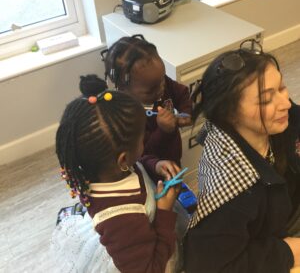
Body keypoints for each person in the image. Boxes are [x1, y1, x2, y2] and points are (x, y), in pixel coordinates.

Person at [184, 39, 300, 273]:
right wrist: (286, 252)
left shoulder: (273, 121)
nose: (285, 102)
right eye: (267, 99)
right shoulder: (233, 193)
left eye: (281, 87)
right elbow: (208, 265)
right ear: (229, 113)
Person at [51, 74, 183, 273]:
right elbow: (150, 269)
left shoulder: (102, 168)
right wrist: (164, 212)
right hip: (141, 258)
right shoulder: (121, 219)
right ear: (123, 159)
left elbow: (136, 163)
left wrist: (153, 164)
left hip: (133, 242)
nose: (143, 145)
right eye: (141, 141)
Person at [101, 34, 192, 182]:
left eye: (162, 79)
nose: (161, 89)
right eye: (151, 90)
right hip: (148, 172)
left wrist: (185, 113)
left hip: (173, 157)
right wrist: (163, 131)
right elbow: (139, 154)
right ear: (124, 89)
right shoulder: (126, 116)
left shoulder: (158, 82)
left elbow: (182, 93)